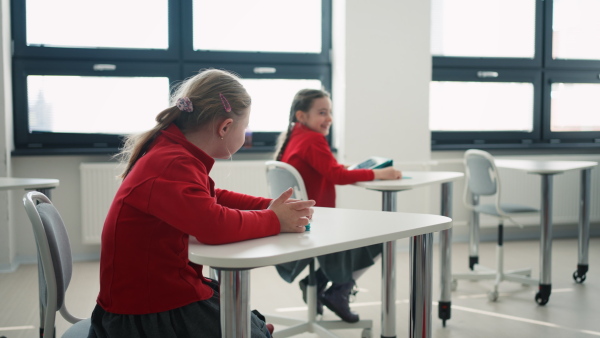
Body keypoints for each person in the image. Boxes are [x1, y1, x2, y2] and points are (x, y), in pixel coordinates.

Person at [88, 69, 315, 338]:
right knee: (250, 328)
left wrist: (270, 207)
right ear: (225, 127)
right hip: (145, 315)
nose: (246, 132)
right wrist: (275, 219)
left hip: (153, 299)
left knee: (248, 322)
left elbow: (213, 197)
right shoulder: (171, 163)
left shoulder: (172, 153)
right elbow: (214, 227)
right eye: (246, 126)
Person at [273, 88, 402, 323]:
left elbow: (332, 171)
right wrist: (380, 173)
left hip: (306, 218)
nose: (329, 119)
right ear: (302, 116)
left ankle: (320, 282)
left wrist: (353, 171)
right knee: (384, 237)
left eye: (330, 112)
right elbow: (337, 176)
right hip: (320, 221)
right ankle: (338, 290)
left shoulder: (295, 137)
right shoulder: (312, 139)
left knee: (365, 228)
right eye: (322, 112)